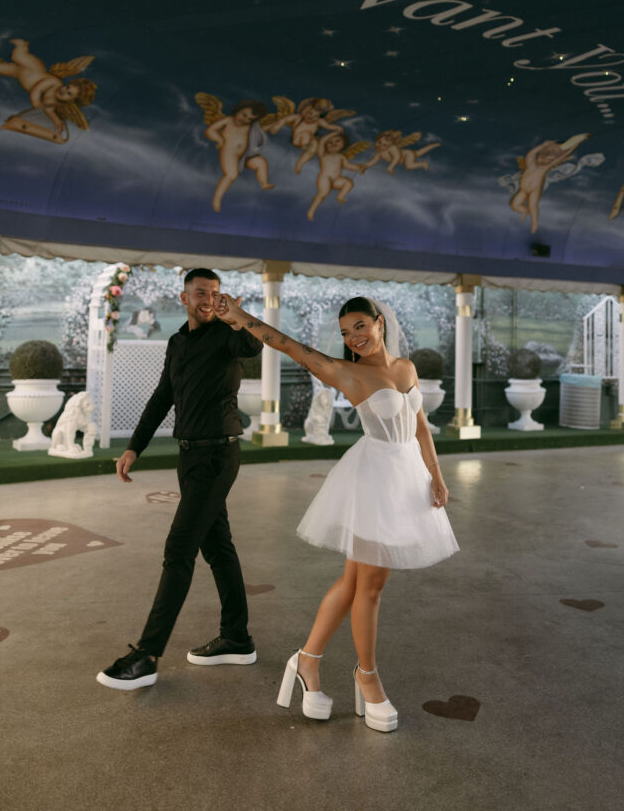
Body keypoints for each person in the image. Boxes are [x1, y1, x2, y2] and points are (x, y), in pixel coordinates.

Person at [214, 293, 458, 732]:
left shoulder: (405, 368)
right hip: (374, 481)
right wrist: (239, 316)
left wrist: (436, 475)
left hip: (407, 479)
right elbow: (288, 345)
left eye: (361, 326)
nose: (354, 337)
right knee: (370, 585)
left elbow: (420, 427)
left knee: (354, 582)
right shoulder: (346, 373)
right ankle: (367, 678)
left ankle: (307, 660)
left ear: (380, 323)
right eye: (346, 332)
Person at [96, 269, 263, 691]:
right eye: (201, 293)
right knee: (218, 547)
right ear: (184, 297)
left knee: (179, 550)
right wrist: (135, 446)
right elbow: (161, 397)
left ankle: (147, 655)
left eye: (215, 294)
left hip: (218, 455)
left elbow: (253, 345)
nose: (209, 300)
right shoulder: (177, 342)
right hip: (188, 457)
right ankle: (237, 638)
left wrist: (238, 315)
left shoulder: (228, 335)